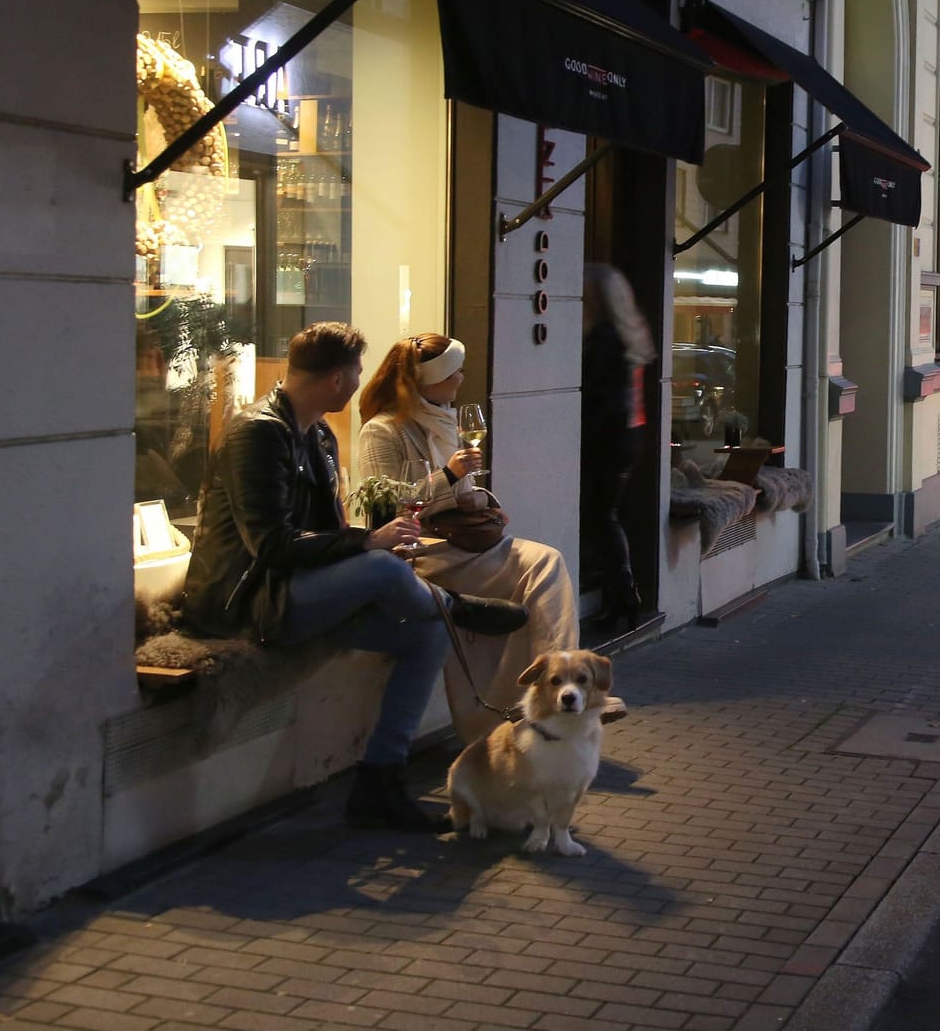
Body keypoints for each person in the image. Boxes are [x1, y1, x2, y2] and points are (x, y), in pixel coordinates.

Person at [180, 322, 527, 833]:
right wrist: (368, 544)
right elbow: (271, 546)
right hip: (247, 601)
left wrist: (364, 548)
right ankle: (454, 603)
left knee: (428, 632)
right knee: (385, 565)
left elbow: (325, 531)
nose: (362, 382)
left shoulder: (317, 432)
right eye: (357, 373)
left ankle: (380, 781)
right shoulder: (257, 433)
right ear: (338, 379)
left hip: (300, 591)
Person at [354, 333, 587, 744]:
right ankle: (554, 696)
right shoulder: (382, 430)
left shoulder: (442, 419)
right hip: (424, 552)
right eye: (453, 372)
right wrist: (450, 476)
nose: (461, 377)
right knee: (542, 565)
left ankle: (544, 700)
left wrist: (480, 500)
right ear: (428, 381)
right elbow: (387, 506)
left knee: (544, 570)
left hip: (462, 544)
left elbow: (459, 495)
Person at [582, 263, 658, 632]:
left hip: (609, 438)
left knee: (601, 518)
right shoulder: (630, 333)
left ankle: (624, 595)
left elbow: (600, 400)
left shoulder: (603, 337)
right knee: (607, 516)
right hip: (630, 434)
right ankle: (623, 595)